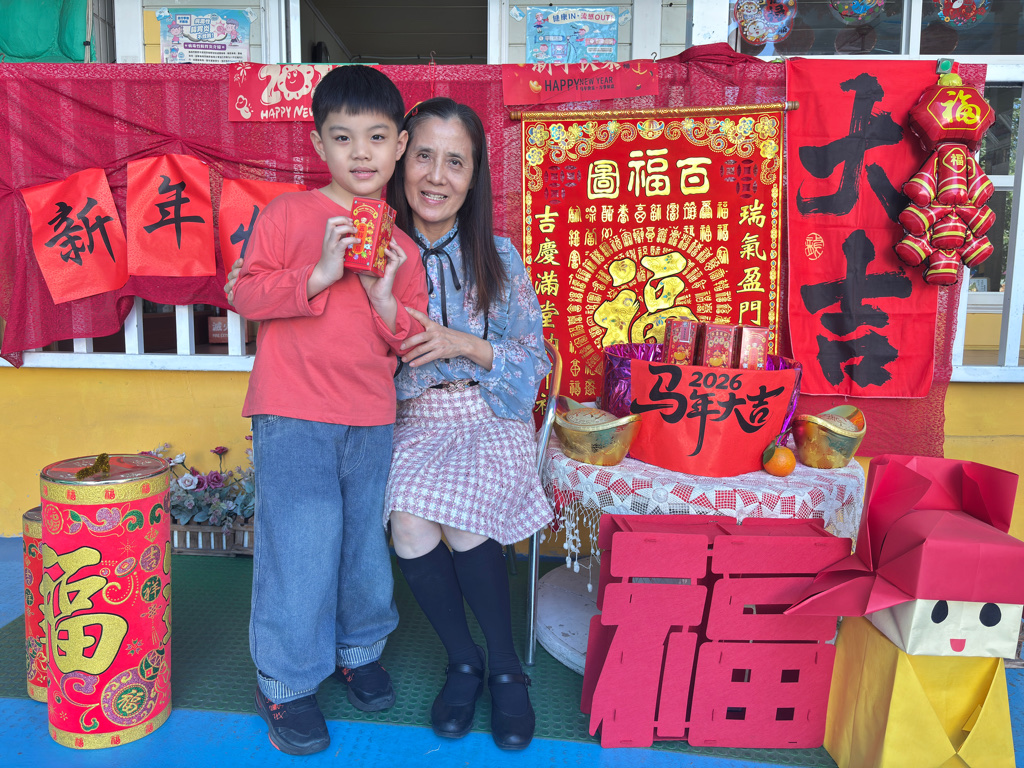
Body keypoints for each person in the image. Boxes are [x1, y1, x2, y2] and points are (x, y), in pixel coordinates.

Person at [229, 65, 427, 757]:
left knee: (363, 544)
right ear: (319, 145)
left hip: (370, 414)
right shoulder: (288, 214)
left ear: (399, 146)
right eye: (343, 138)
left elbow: (412, 339)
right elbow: (244, 294)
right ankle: (285, 682)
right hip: (292, 410)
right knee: (302, 544)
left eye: (376, 137)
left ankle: (359, 649)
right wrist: (317, 274)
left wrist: (383, 297)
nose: (361, 153)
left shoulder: (403, 248)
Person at [385, 97, 552, 751]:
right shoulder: (378, 252)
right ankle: (464, 661)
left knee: (464, 517)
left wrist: (464, 344)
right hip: (415, 418)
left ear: (474, 174)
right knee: (408, 519)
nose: (436, 176)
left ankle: (506, 666)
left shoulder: (498, 255)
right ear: (400, 159)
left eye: (455, 162)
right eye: (424, 156)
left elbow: (533, 359)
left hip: (489, 411)